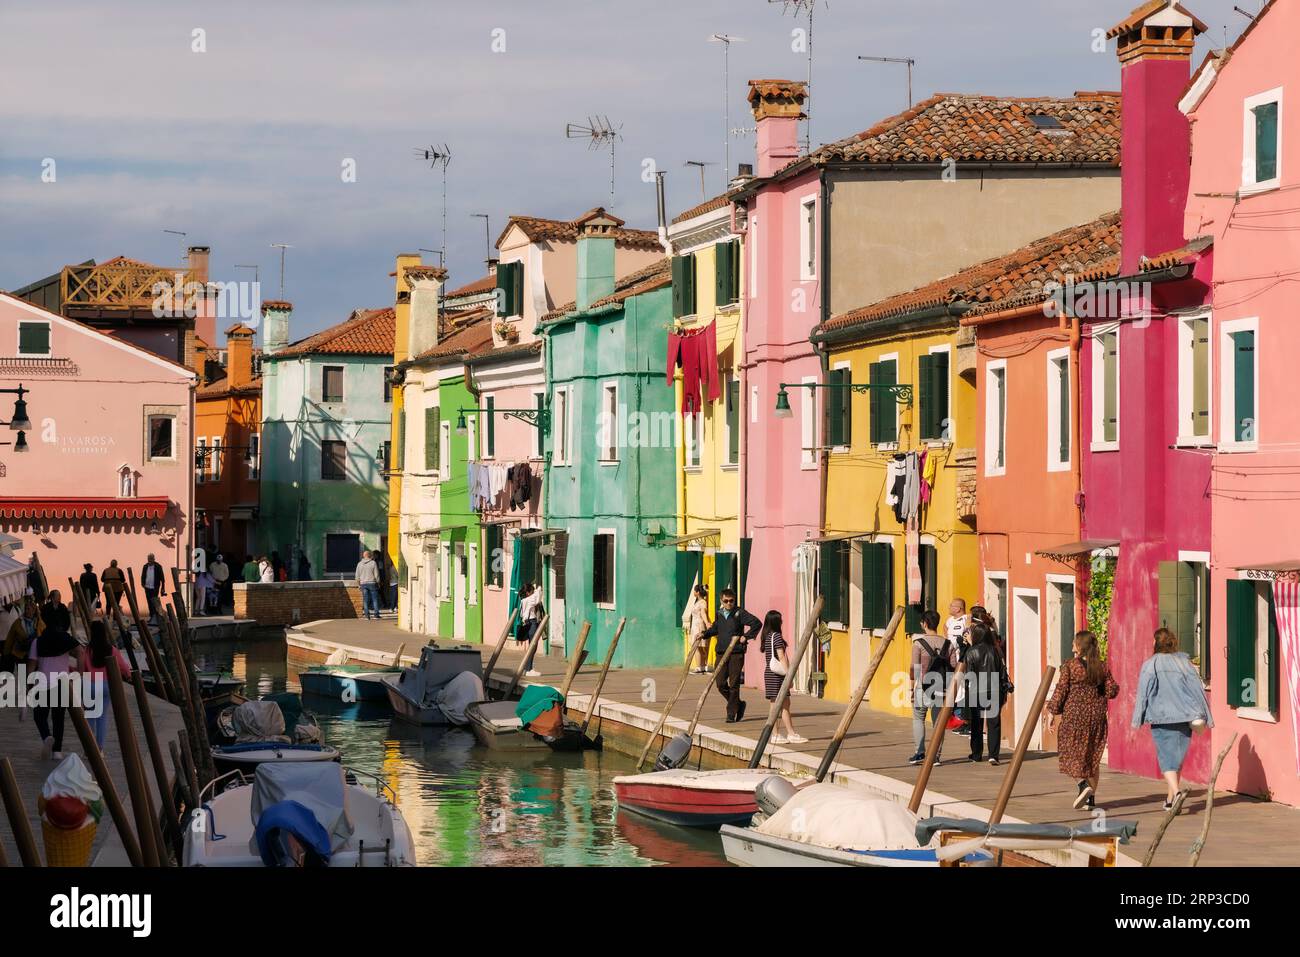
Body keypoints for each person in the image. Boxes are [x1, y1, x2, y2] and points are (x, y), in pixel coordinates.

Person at [1133, 627, 1212, 813]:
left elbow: (1143, 693)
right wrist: (1205, 715)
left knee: (1166, 758)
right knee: (1176, 758)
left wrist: (1138, 718)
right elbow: (1197, 689)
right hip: (1184, 716)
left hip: (1161, 717)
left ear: (1155, 643)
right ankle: (1170, 800)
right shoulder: (1184, 663)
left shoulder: (1150, 664)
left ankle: (1175, 792)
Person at [1047, 629, 1118, 810]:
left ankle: (1082, 784)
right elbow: (1112, 691)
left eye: (1074, 643)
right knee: (1092, 758)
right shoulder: (1102, 667)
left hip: (1074, 717)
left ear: (1080, 646)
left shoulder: (1070, 666)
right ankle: (1090, 799)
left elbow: (1061, 690)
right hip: (1096, 718)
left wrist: (1051, 712)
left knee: (1068, 752)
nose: (1072, 646)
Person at [701, 588, 761, 724]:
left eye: (731, 601)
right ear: (721, 601)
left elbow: (757, 623)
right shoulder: (720, 613)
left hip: (736, 653)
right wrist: (704, 634)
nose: (729, 603)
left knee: (734, 684)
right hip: (721, 652)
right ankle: (738, 704)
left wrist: (746, 636)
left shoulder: (740, 613)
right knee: (720, 683)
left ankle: (731, 713)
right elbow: (716, 628)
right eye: (726, 601)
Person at [908, 609, 959, 765]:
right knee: (939, 722)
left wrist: (912, 688)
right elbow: (953, 667)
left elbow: (914, 668)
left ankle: (920, 752)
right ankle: (936, 755)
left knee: (918, 718)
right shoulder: (948, 644)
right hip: (942, 688)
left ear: (924, 624)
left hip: (923, 687)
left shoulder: (918, 644)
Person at [78, 620, 132, 749]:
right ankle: (100, 748)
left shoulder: (87, 650)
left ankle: (90, 750)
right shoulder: (111, 649)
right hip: (106, 686)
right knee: (102, 717)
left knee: (90, 717)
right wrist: (129, 676)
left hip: (90, 685)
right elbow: (123, 667)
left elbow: (82, 668)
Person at [32, 618, 78, 760]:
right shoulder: (65, 640)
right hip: (62, 684)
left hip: (43, 683)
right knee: (58, 718)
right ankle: (57, 751)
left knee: (39, 715)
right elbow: (81, 652)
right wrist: (80, 675)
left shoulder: (38, 641)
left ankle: (46, 737)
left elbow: (31, 664)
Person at [759, 610, 806, 745]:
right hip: (777, 675)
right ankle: (776, 734)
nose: (782, 622)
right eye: (780, 619)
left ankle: (789, 733)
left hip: (770, 673)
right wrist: (788, 676)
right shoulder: (777, 637)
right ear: (776, 622)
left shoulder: (767, 636)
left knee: (784, 703)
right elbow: (781, 657)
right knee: (776, 704)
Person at [964, 621, 1006, 765]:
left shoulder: (971, 651)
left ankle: (976, 754)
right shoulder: (995, 650)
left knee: (977, 723)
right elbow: (1002, 672)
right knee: (994, 723)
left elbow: (968, 674)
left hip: (977, 689)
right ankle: (993, 755)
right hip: (994, 688)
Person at [2, 598, 43, 673]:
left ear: (34, 611)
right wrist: (6, 653)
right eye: (26, 609)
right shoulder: (18, 622)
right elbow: (10, 638)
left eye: (29, 609)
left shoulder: (39, 623)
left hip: (35, 654)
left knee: (34, 677)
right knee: (22, 678)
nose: (27, 611)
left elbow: (44, 635)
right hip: (20, 654)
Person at [683, 583, 712, 675]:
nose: (694, 593)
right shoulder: (698, 602)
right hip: (695, 625)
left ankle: (699, 667)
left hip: (699, 625)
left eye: (695, 591)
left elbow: (703, 612)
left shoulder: (702, 602)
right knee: (698, 646)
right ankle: (702, 666)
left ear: (698, 592)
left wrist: (707, 622)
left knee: (697, 646)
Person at [518, 582, 544, 676]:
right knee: (533, 646)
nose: (533, 592)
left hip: (526, 623)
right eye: (532, 591)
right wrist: (539, 588)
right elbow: (538, 597)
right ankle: (529, 669)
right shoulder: (530, 599)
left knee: (531, 646)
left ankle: (527, 668)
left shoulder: (522, 600)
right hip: (532, 622)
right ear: (528, 592)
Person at [140, 553, 166, 624]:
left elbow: (162, 578)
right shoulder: (145, 566)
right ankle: (152, 617)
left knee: (154, 602)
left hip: (155, 587)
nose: (150, 560)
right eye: (149, 559)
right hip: (147, 587)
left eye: (151, 559)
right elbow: (143, 575)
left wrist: (163, 588)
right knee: (149, 602)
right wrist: (142, 583)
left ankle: (157, 617)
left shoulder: (158, 566)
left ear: (154, 559)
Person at [355, 550, 381, 620]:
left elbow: (357, 576)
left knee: (365, 600)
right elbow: (376, 574)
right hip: (372, 583)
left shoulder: (359, 564)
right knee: (375, 599)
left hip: (363, 583)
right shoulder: (373, 563)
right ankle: (376, 615)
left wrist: (359, 584)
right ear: (370, 555)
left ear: (363, 556)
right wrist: (378, 582)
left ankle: (367, 616)